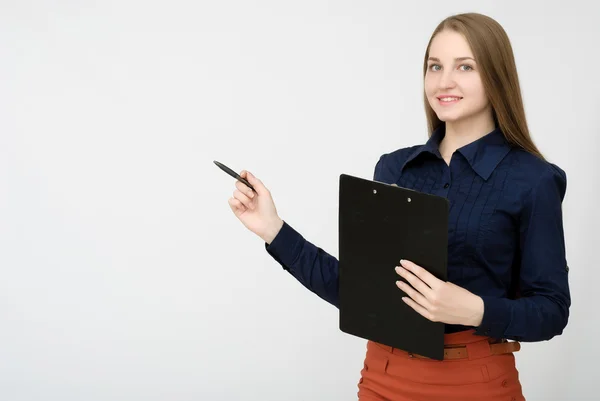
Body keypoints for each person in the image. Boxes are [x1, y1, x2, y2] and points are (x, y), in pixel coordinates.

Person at [226, 12, 570, 401]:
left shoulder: (534, 179)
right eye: (435, 66)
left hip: (475, 382)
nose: (444, 81)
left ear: (496, 75)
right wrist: (272, 228)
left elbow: (552, 310)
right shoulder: (394, 169)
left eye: (465, 67)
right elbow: (360, 292)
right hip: (384, 377)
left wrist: (473, 310)